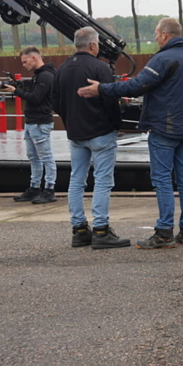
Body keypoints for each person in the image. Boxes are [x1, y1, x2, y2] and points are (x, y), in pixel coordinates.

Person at [78, 17, 183, 250]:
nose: (155, 37)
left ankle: (164, 232)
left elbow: (136, 85)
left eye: (157, 33)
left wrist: (101, 89)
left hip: (165, 129)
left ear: (165, 34)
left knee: (162, 179)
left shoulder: (163, 59)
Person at [50, 27, 129, 249]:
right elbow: (110, 99)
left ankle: (79, 230)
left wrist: (69, 120)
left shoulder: (62, 69)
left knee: (77, 180)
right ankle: (102, 230)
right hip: (101, 132)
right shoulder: (100, 68)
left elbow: (55, 102)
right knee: (103, 181)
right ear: (93, 45)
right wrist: (116, 125)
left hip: (75, 133)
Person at [5, 46, 57, 205]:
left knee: (46, 156)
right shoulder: (39, 76)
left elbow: (36, 98)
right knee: (33, 157)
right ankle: (34, 187)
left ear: (34, 58)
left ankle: (49, 189)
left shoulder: (46, 76)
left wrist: (16, 91)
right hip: (32, 121)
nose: (24, 65)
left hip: (40, 122)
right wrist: (19, 86)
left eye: (25, 61)